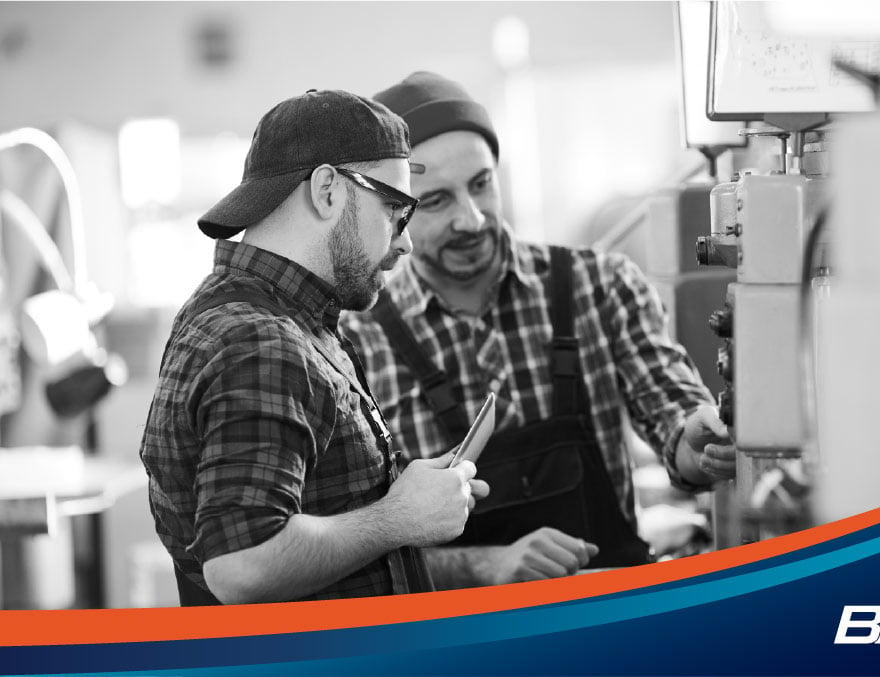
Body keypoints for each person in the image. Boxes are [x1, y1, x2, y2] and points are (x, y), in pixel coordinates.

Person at [338, 72, 735, 590]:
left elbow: (674, 419)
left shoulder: (600, 285)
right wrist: (489, 567)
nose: (473, 219)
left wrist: (701, 444)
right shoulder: (358, 343)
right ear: (394, 212)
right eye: (436, 201)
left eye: (481, 185)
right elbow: (367, 550)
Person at [139, 89, 488, 605]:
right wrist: (399, 519)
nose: (406, 241)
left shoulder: (275, 318)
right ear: (327, 190)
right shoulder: (259, 342)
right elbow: (243, 565)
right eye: (396, 208)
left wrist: (408, 498)